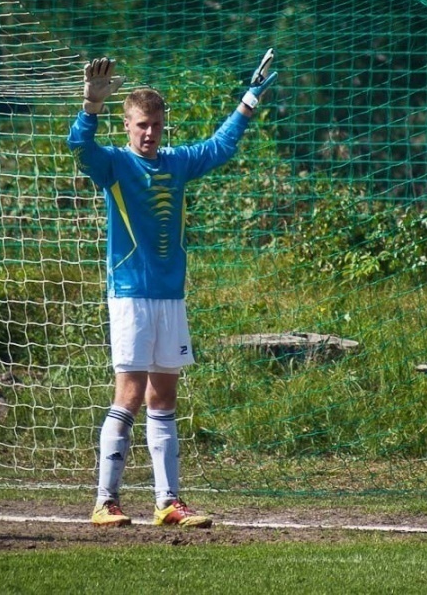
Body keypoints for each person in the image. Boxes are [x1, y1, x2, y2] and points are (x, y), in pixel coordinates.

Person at [67, 50, 278, 528]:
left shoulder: (178, 162)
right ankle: (106, 501)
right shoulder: (114, 165)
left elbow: (219, 146)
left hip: (170, 297)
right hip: (130, 295)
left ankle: (168, 501)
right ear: (127, 126)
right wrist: (90, 105)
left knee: (164, 397)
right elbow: (79, 148)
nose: (149, 133)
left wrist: (247, 101)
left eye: (156, 126)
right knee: (130, 393)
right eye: (141, 125)